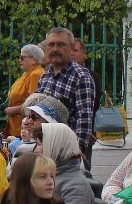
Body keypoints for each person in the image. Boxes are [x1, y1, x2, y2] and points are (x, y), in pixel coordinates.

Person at [38, 27, 98, 168]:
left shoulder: (81, 77)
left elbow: (84, 119)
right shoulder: (45, 77)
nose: (55, 49)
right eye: (51, 44)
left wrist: (77, 152)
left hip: (68, 155)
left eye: (61, 44)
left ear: (71, 48)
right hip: (45, 150)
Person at [29, 119, 95, 204]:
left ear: (55, 146)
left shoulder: (76, 187)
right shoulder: (50, 175)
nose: (35, 150)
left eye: (39, 144)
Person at [4, 44, 45, 138]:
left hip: (25, 128)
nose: (19, 60)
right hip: (17, 127)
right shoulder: (27, 74)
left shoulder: (35, 75)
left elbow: (34, 103)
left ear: (34, 60)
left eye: (22, 58)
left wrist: (11, 110)